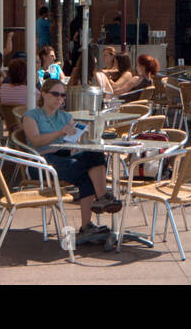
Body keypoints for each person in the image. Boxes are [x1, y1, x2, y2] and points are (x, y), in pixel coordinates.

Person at [22, 78, 122, 243]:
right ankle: (99, 202)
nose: (60, 98)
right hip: (41, 162)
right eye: (55, 94)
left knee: (96, 155)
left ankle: (90, 221)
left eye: (63, 95)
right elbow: (36, 141)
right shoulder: (31, 116)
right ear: (44, 93)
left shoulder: (66, 116)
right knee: (85, 170)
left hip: (64, 156)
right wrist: (60, 133)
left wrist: (75, 138)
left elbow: (71, 146)